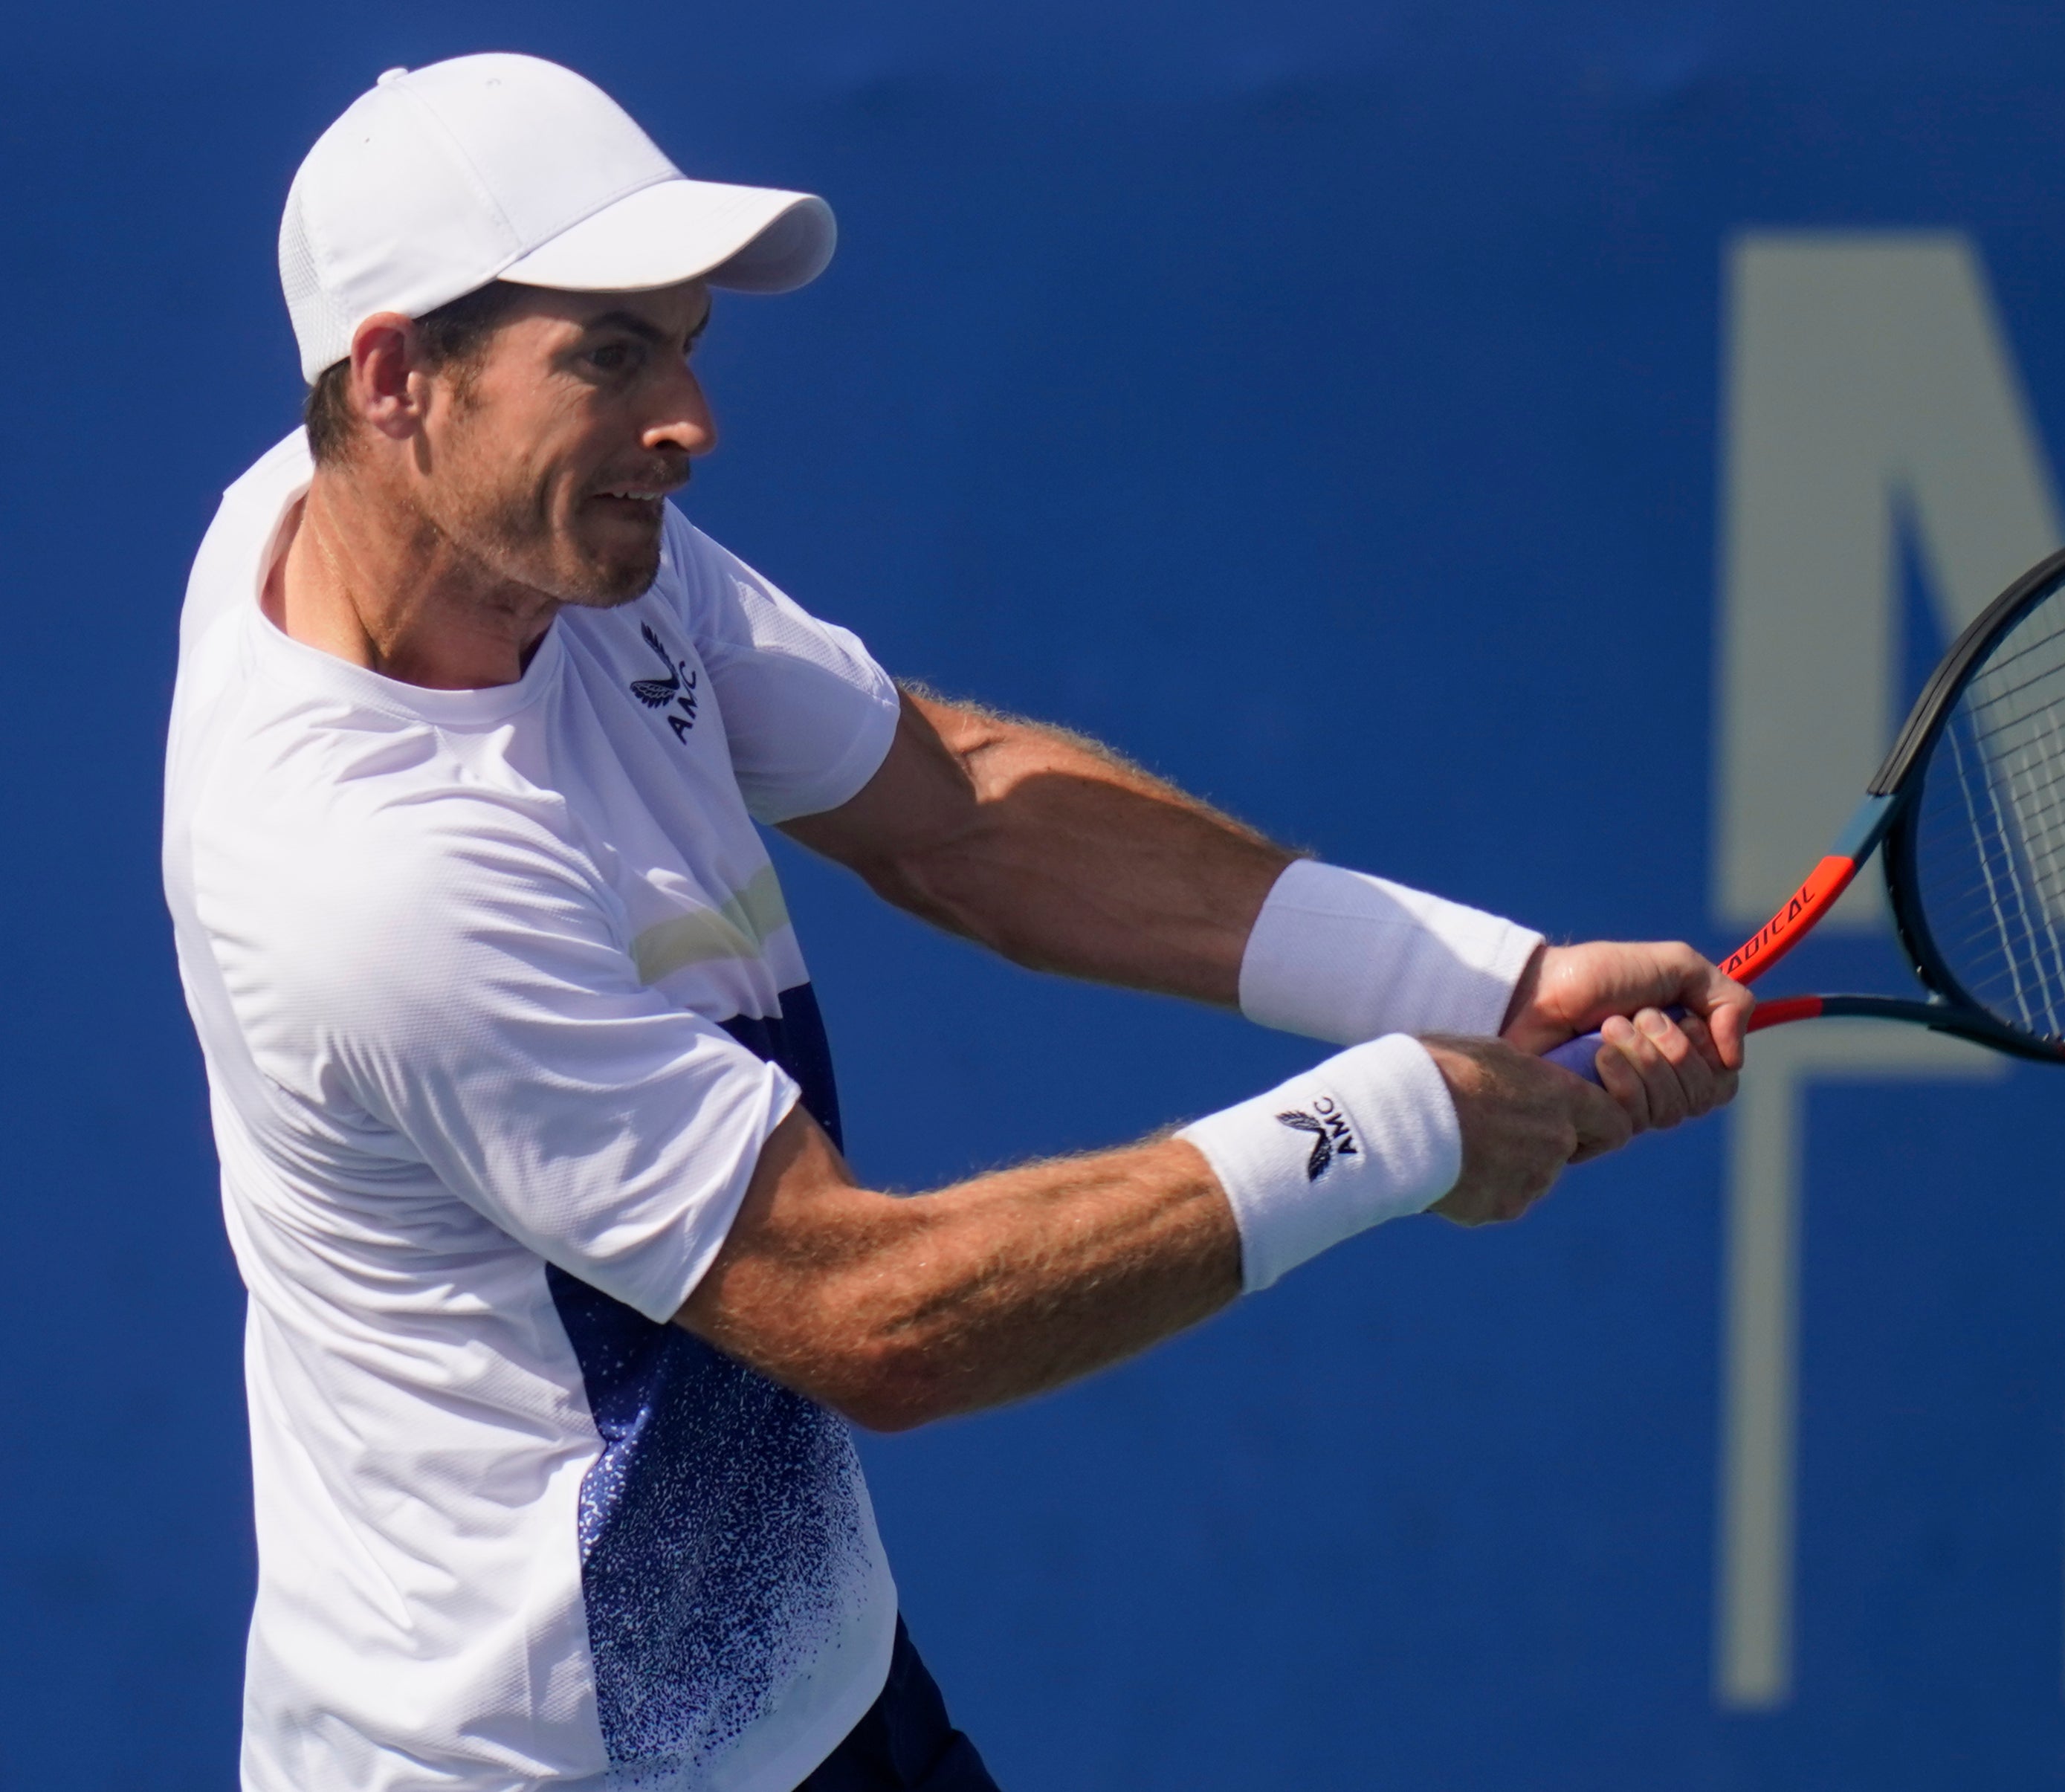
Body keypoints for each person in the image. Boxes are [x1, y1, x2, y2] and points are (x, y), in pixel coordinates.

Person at [165, 54, 1749, 1792]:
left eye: (686, 342)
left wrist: (1477, 980)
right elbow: (879, 1316)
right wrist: (1399, 1120)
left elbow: (961, 812)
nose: (690, 417)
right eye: (611, 353)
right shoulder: (377, 884)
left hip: (825, 1711)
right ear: (395, 378)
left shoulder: (485, 535)